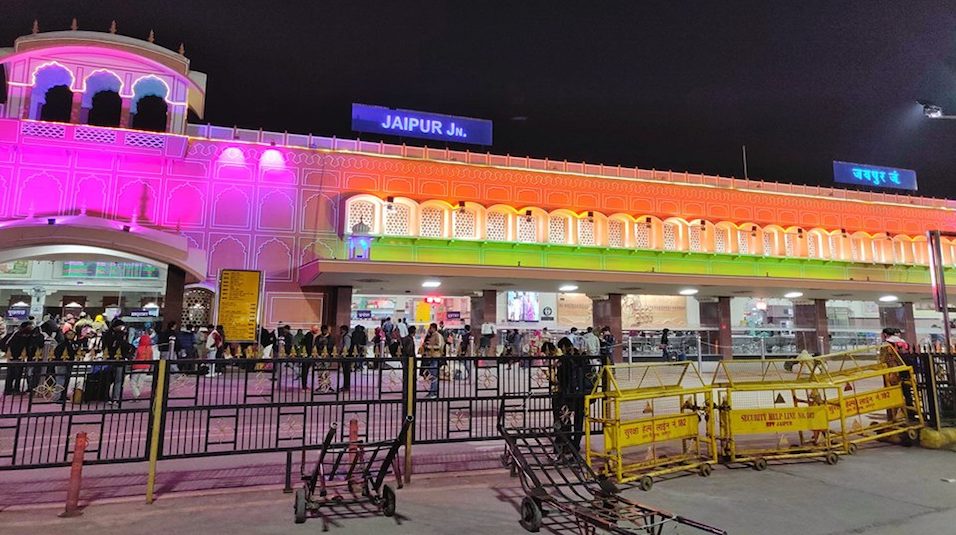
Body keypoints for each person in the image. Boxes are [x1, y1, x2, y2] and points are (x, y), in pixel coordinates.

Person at [52, 328, 83, 403]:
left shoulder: (74, 344)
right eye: (69, 334)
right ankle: (58, 396)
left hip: (70, 363)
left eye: (72, 334)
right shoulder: (61, 344)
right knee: (60, 380)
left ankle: (63, 395)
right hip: (60, 363)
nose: (71, 336)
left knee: (66, 380)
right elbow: (56, 353)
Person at [420, 323, 443, 399]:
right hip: (430, 357)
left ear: (434, 328)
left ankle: (433, 392)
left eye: (430, 328)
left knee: (433, 375)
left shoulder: (437, 335)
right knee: (431, 375)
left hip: (435, 357)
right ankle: (432, 391)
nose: (429, 329)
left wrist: (429, 346)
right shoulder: (430, 335)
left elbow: (439, 346)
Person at [130, 328, 154, 398]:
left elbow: (134, 358)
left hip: (137, 366)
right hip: (146, 366)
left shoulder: (138, 348)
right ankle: (138, 393)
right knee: (141, 380)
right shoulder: (150, 349)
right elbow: (151, 358)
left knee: (133, 381)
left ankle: (136, 394)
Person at [337, 325, 353, 392]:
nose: (340, 331)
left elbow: (347, 346)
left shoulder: (346, 336)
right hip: (346, 356)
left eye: (341, 329)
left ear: (344, 330)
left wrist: (342, 353)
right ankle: (345, 386)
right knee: (345, 372)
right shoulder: (345, 336)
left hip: (346, 356)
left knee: (346, 372)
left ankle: (346, 386)